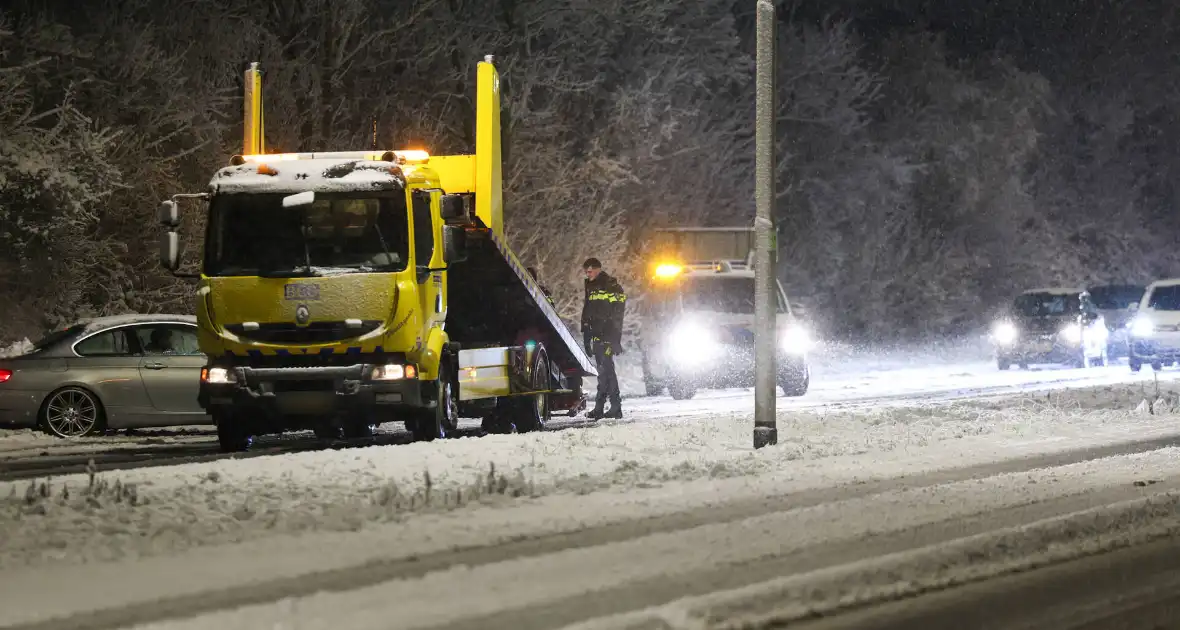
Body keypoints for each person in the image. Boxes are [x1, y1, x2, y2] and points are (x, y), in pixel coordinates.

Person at [581, 257, 626, 418]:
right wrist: (586, 334)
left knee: (606, 370)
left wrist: (613, 338)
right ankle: (605, 407)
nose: (588, 274)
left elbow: (617, 315)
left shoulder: (610, 286)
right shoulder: (591, 286)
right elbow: (587, 311)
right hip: (596, 335)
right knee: (604, 371)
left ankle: (612, 407)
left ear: (598, 269)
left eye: (590, 271)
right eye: (586, 272)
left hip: (607, 335)